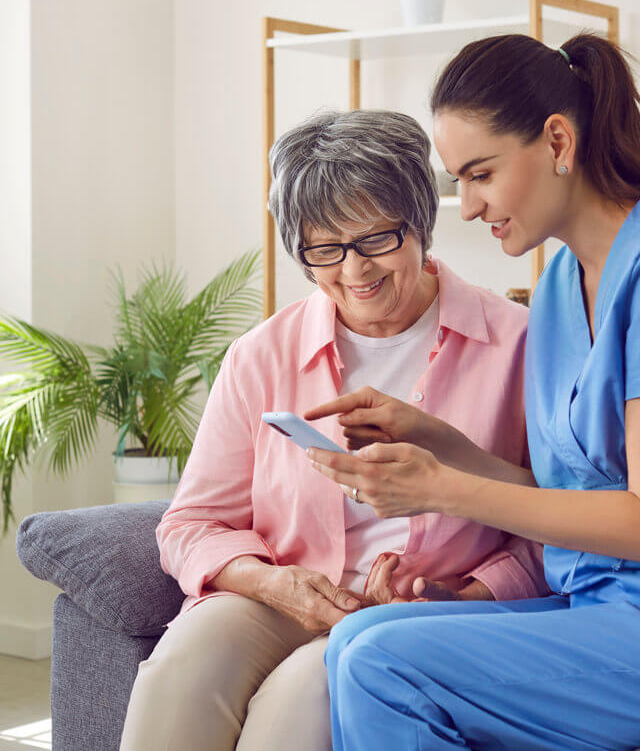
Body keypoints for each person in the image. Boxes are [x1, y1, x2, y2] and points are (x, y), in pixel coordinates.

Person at [307, 34, 640, 750]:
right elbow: (577, 495)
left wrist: (439, 491)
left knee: (383, 663)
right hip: (608, 605)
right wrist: (437, 444)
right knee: (360, 638)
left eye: (480, 174)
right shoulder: (556, 287)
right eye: (458, 181)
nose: (466, 207)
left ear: (557, 140)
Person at [118, 110, 546, 751]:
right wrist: (272, 580)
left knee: (295, 704)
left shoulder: (516, 345)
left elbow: (561, 521)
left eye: (377, 239)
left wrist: (463, 591)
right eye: (325, 249)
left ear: (420, 225)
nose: (355, 270)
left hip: (428, 615)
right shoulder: (262, 355)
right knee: (178, 671)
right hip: (285, 592)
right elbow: (189, 526)